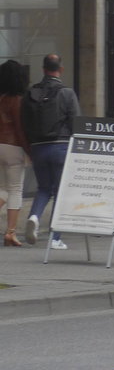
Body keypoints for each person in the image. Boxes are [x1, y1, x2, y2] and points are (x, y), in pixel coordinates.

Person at [22, 53, 81, 249]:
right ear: (60, 69)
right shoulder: (67, 93)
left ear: (43, 69)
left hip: (38, 147)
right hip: (60, 146)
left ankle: (34, 217)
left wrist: (30, 146)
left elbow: (25, 123)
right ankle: (55, 238)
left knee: (44, 188)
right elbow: (76, 123)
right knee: (60, 192)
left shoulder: (31, 93)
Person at [0, 60, 32, 247]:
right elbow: (20, 128)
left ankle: (10, 232)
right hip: (13, 147)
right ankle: (10, 232)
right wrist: (29, 150)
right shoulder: (18, 100)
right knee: (15, 189)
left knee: (3, 188)